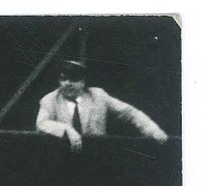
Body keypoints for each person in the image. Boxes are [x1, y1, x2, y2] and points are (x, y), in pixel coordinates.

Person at [36, 60, 169, 153]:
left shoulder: (98, 95)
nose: (67, 83)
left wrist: (153, 130)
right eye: (64, 79)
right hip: (62, 157)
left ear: (82, 82)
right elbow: (41, 124)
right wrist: (66, 129)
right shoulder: (49, 99)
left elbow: (129, 112)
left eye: (73, 79)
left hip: (97, 156)